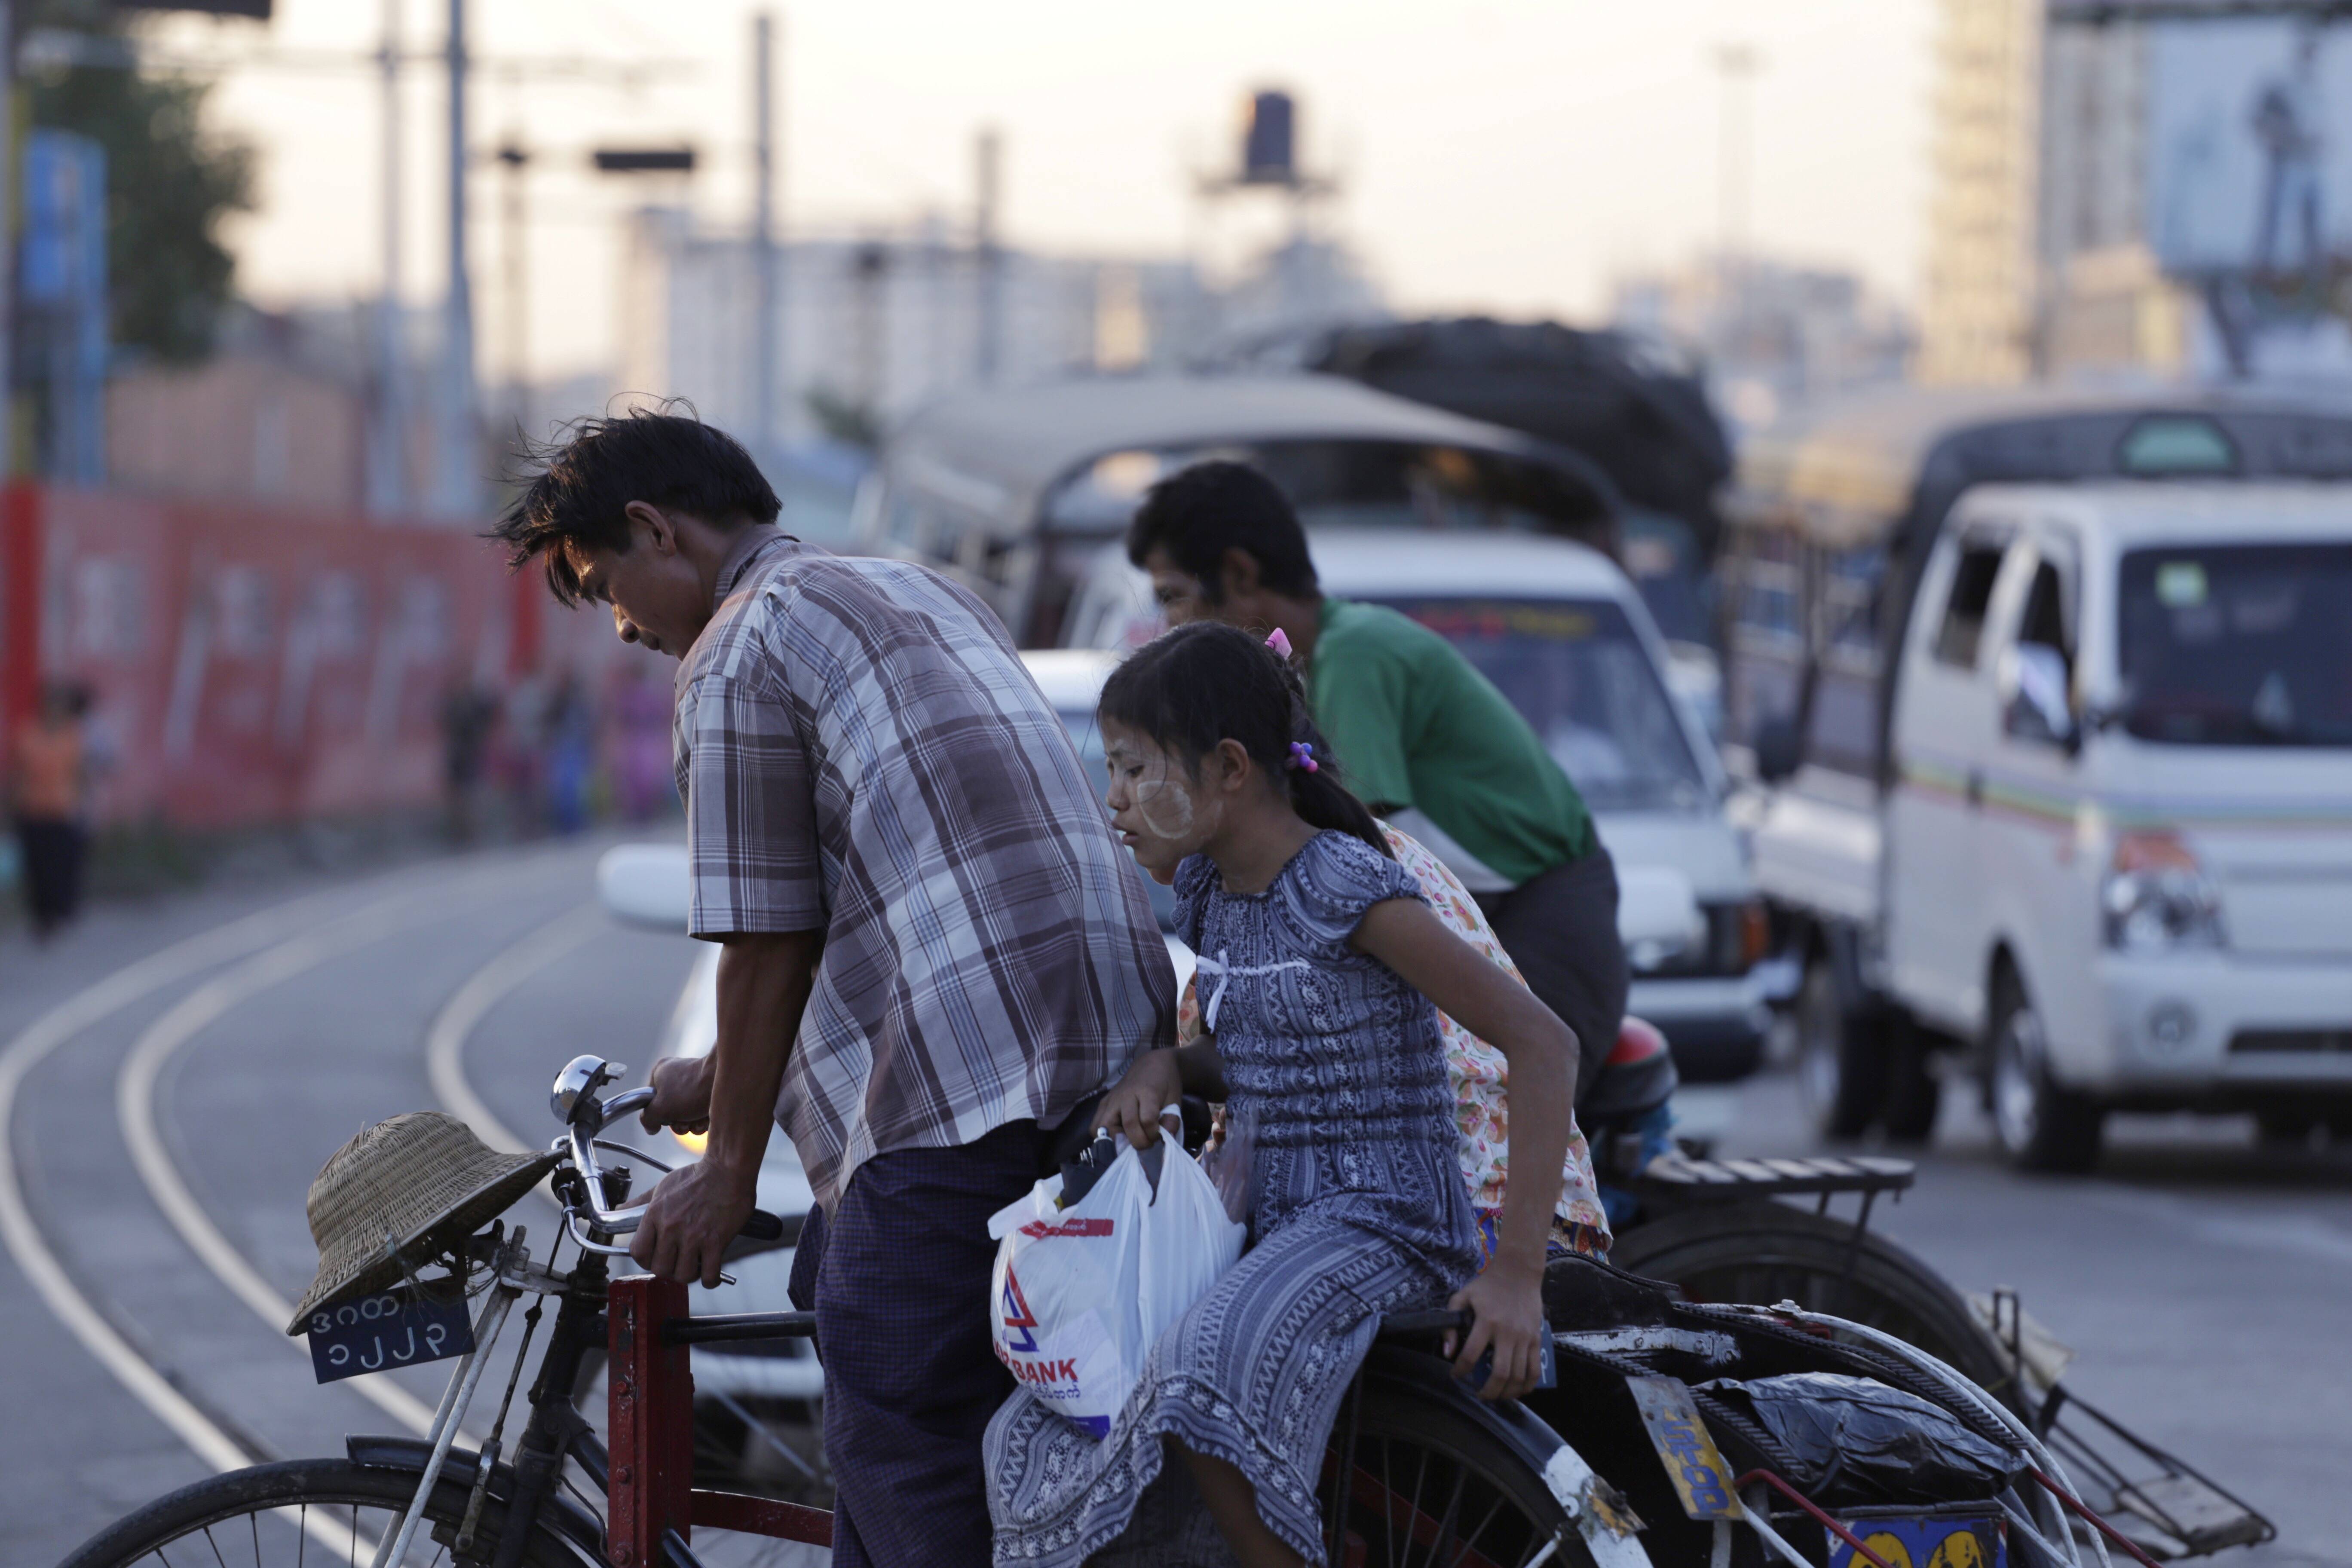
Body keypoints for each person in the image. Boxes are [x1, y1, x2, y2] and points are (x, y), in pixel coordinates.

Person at [489, 410, 1176, 1568]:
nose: (621, 624)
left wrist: (725, 1172)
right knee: (844, 1295)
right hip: (1113, 1037)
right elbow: (890, 886)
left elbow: (765, 940)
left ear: (659, 532)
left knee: (898, 1398)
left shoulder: (736, 648)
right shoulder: (919, 590)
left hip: (983, 1074)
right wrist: (723, 1078)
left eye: (609, 585)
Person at [988, 622, 1576, 1568]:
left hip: (1386, 1219)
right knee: (1066, 1395)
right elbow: (1253, 1056)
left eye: (1136, 771)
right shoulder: (1211, 895)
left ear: (1228, 769)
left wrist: (1515, 1275)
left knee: (1195, 1369)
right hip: (1267, 1219)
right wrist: (1169, 1068)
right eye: (1112, 772)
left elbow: (1544, 1045)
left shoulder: (1351, 887)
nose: (1116, 801)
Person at [1126, 460, 1630, 1112]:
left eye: (1172, 596)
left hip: (1547, 921)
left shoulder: (1355, 656)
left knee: (1483, 1124)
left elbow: (1337, 847)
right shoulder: (1304, 671)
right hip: (1493, 916)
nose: (1167, 627)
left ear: (1242, 575)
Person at [9, 680, 95, 940]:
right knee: (37, 868)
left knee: (60, 868)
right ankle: (41, 918)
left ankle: (60, 914)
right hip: (32, 810)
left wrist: (83, 807)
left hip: (63, 811)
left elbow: (81, 775)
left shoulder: (73, 737)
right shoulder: (28, 735)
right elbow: (19, 773)